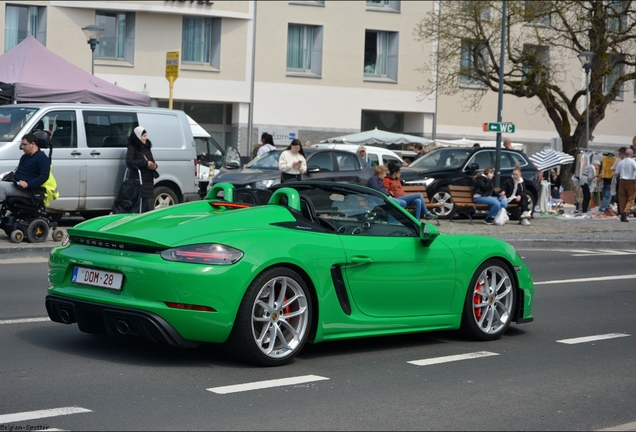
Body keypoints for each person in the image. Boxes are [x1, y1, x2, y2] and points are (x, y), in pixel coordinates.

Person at [0, 133, 50, 210]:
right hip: (18, 184)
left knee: (1, 187)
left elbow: (44, 176)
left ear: (32, 144)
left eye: (24, 144)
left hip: (28, 190)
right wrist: (10, 176)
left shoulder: (42, 158)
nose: (22, 147)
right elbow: (22, 172)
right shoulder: (25, 157)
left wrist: (28, 184)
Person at [126, 126, 158, 213]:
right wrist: (145, 164)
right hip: (138, 179)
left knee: (145, 203)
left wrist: (154, 166)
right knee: (138, 203)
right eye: (143, 136)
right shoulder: (132, 147)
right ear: (138, 136)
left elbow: (151, 160)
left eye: (146, 135)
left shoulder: (147, 147)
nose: (145, 138)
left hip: (148, 179)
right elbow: (129, 162)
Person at [615, 148, 636, 222]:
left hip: (622, 180)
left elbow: (617, 173)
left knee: (622, 198)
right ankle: (625, 211)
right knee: (631, 198)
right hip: (631, 180)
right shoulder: (633, 161)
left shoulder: (621, 162)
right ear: (631, 154)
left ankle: (623, 215)